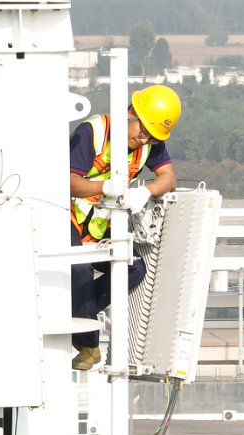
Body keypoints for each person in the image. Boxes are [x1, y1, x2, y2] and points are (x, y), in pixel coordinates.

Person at [69, 85, 181, 370]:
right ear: (131, 113)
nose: (143, 139)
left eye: (151, 137)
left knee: (133, 268)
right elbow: (67, 181)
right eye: (141, 131)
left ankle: (72, 313)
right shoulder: (92, 132)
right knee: (80, 268)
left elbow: (169, 178)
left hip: (97, 224)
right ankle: (88, 343)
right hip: (64, 216)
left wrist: (147, 191)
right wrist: (102, 186)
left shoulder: (149, 142)